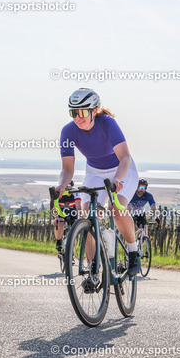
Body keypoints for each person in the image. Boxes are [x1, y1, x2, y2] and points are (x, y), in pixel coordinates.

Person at [56, 88, 141, 276]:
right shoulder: (68, 131)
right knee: (88, 216)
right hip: (94, 172)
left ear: (94, 111)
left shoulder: (107, 123)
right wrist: (61, 185)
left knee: (116, 209)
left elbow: (125, 157)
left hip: (121, 169)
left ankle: (134, 252)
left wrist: (117, 178)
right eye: (73, 112)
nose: (77, 118)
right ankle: (93, 271)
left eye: (82, 112)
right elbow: (67, 169)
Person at [53, 181, 80, 253]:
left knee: (73, 232)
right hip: (61, 212)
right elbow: (55, 206)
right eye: (66, 189)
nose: (68, 192)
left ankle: (71, 253)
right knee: (59, 222)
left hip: (72, 213)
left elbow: (78, 205)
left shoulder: (75, 192)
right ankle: (58, 242)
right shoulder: (59, 192)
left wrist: (79, 217)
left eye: (70, 189)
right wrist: (56, 218)